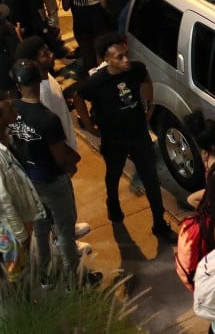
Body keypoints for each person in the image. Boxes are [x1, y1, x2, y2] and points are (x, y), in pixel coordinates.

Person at [7, 59, 102, 287]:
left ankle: (46, 276)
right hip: (53, 182)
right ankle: (75, 280)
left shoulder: (12, 109)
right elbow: (60, 158)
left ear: (18, 85)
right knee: (65, 231)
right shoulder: (47, 119)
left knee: (40, 230)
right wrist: (70, 167)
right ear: (40, 80)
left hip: (30, 179)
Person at [72, 34, 175, 241]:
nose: (125, 60)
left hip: (138, 134)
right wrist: (90, 125)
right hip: (114, 139)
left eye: (126, 55)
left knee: (151, 180)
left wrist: (149, 104)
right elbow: (78, 97)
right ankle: (113, 203)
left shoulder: (136, 69)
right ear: (107, 60)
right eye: (119, 57)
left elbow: (146, 80)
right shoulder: (96, 82)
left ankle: (159, 223)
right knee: (113, 174)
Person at [0, 91, 46, 282]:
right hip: (10, 229)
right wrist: (21, 235)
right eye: (9, 109)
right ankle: (28, 304)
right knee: (19, 276)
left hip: (17, 223)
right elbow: (1, 202)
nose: (15, 111)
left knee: (24, 269)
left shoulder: (1, 141)